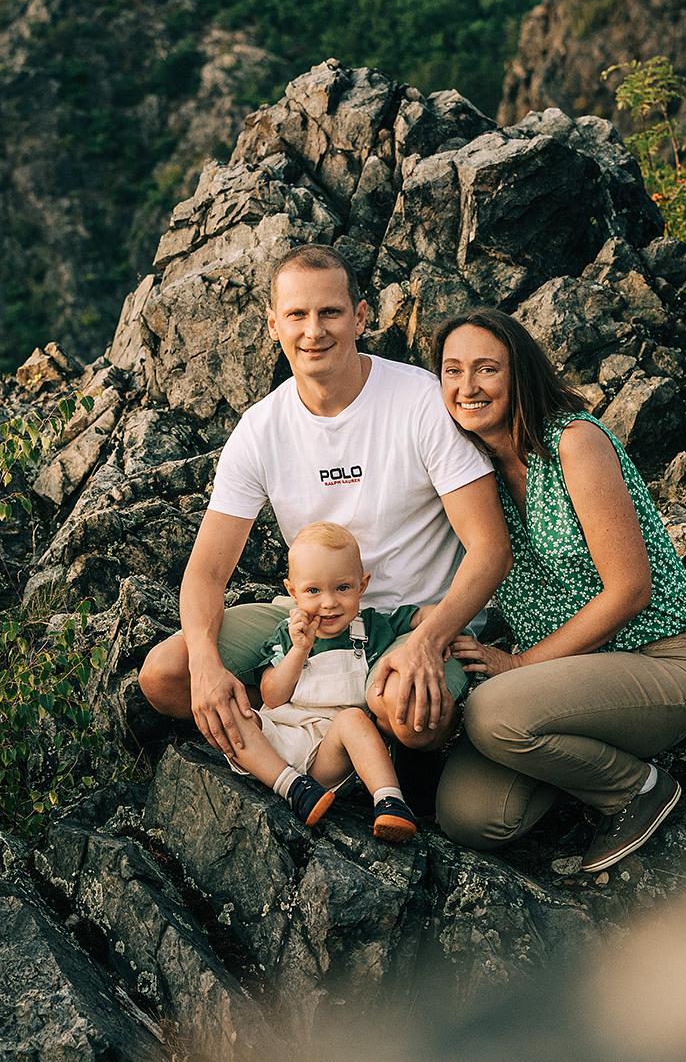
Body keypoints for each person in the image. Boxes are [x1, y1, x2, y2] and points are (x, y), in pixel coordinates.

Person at [137, 244, 511, 762]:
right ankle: (313, 733)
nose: (313, 331)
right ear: (273, 325)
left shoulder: (420, 401)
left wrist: (431, 640)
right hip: (313, 615)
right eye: (297, 315)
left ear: (360, 316)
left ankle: (366, 734)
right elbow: (206, 572)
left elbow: (490, 548)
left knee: (411, 714)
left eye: (329, 312)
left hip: (415, 622)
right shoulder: (261, 429)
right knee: (165, 675)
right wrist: (204, 665)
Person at [429, 307, 686, 873]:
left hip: (657, 659)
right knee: (469, 817)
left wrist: (519, 665)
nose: (467, 386)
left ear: (519, 375)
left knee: (490, 712)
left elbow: (629, 590)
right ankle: (576, 752)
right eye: (452, 370)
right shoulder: (470, 475)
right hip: (561, 683)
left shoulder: (573, 443)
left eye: (486, 369)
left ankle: (640, 789)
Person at [225, 522, 422, 841]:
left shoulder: (371, 628)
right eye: (313, 591)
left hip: (331, 755)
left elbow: (421, 618)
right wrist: (299, 650)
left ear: (362, 585)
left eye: (342, 588)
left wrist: (452, 630)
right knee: (228, 711)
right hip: (279, 742)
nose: (329, 602)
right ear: (292, 592)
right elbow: (272, 696)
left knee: (354, 719)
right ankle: (292, 787)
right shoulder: (287, 635)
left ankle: (390, 801)